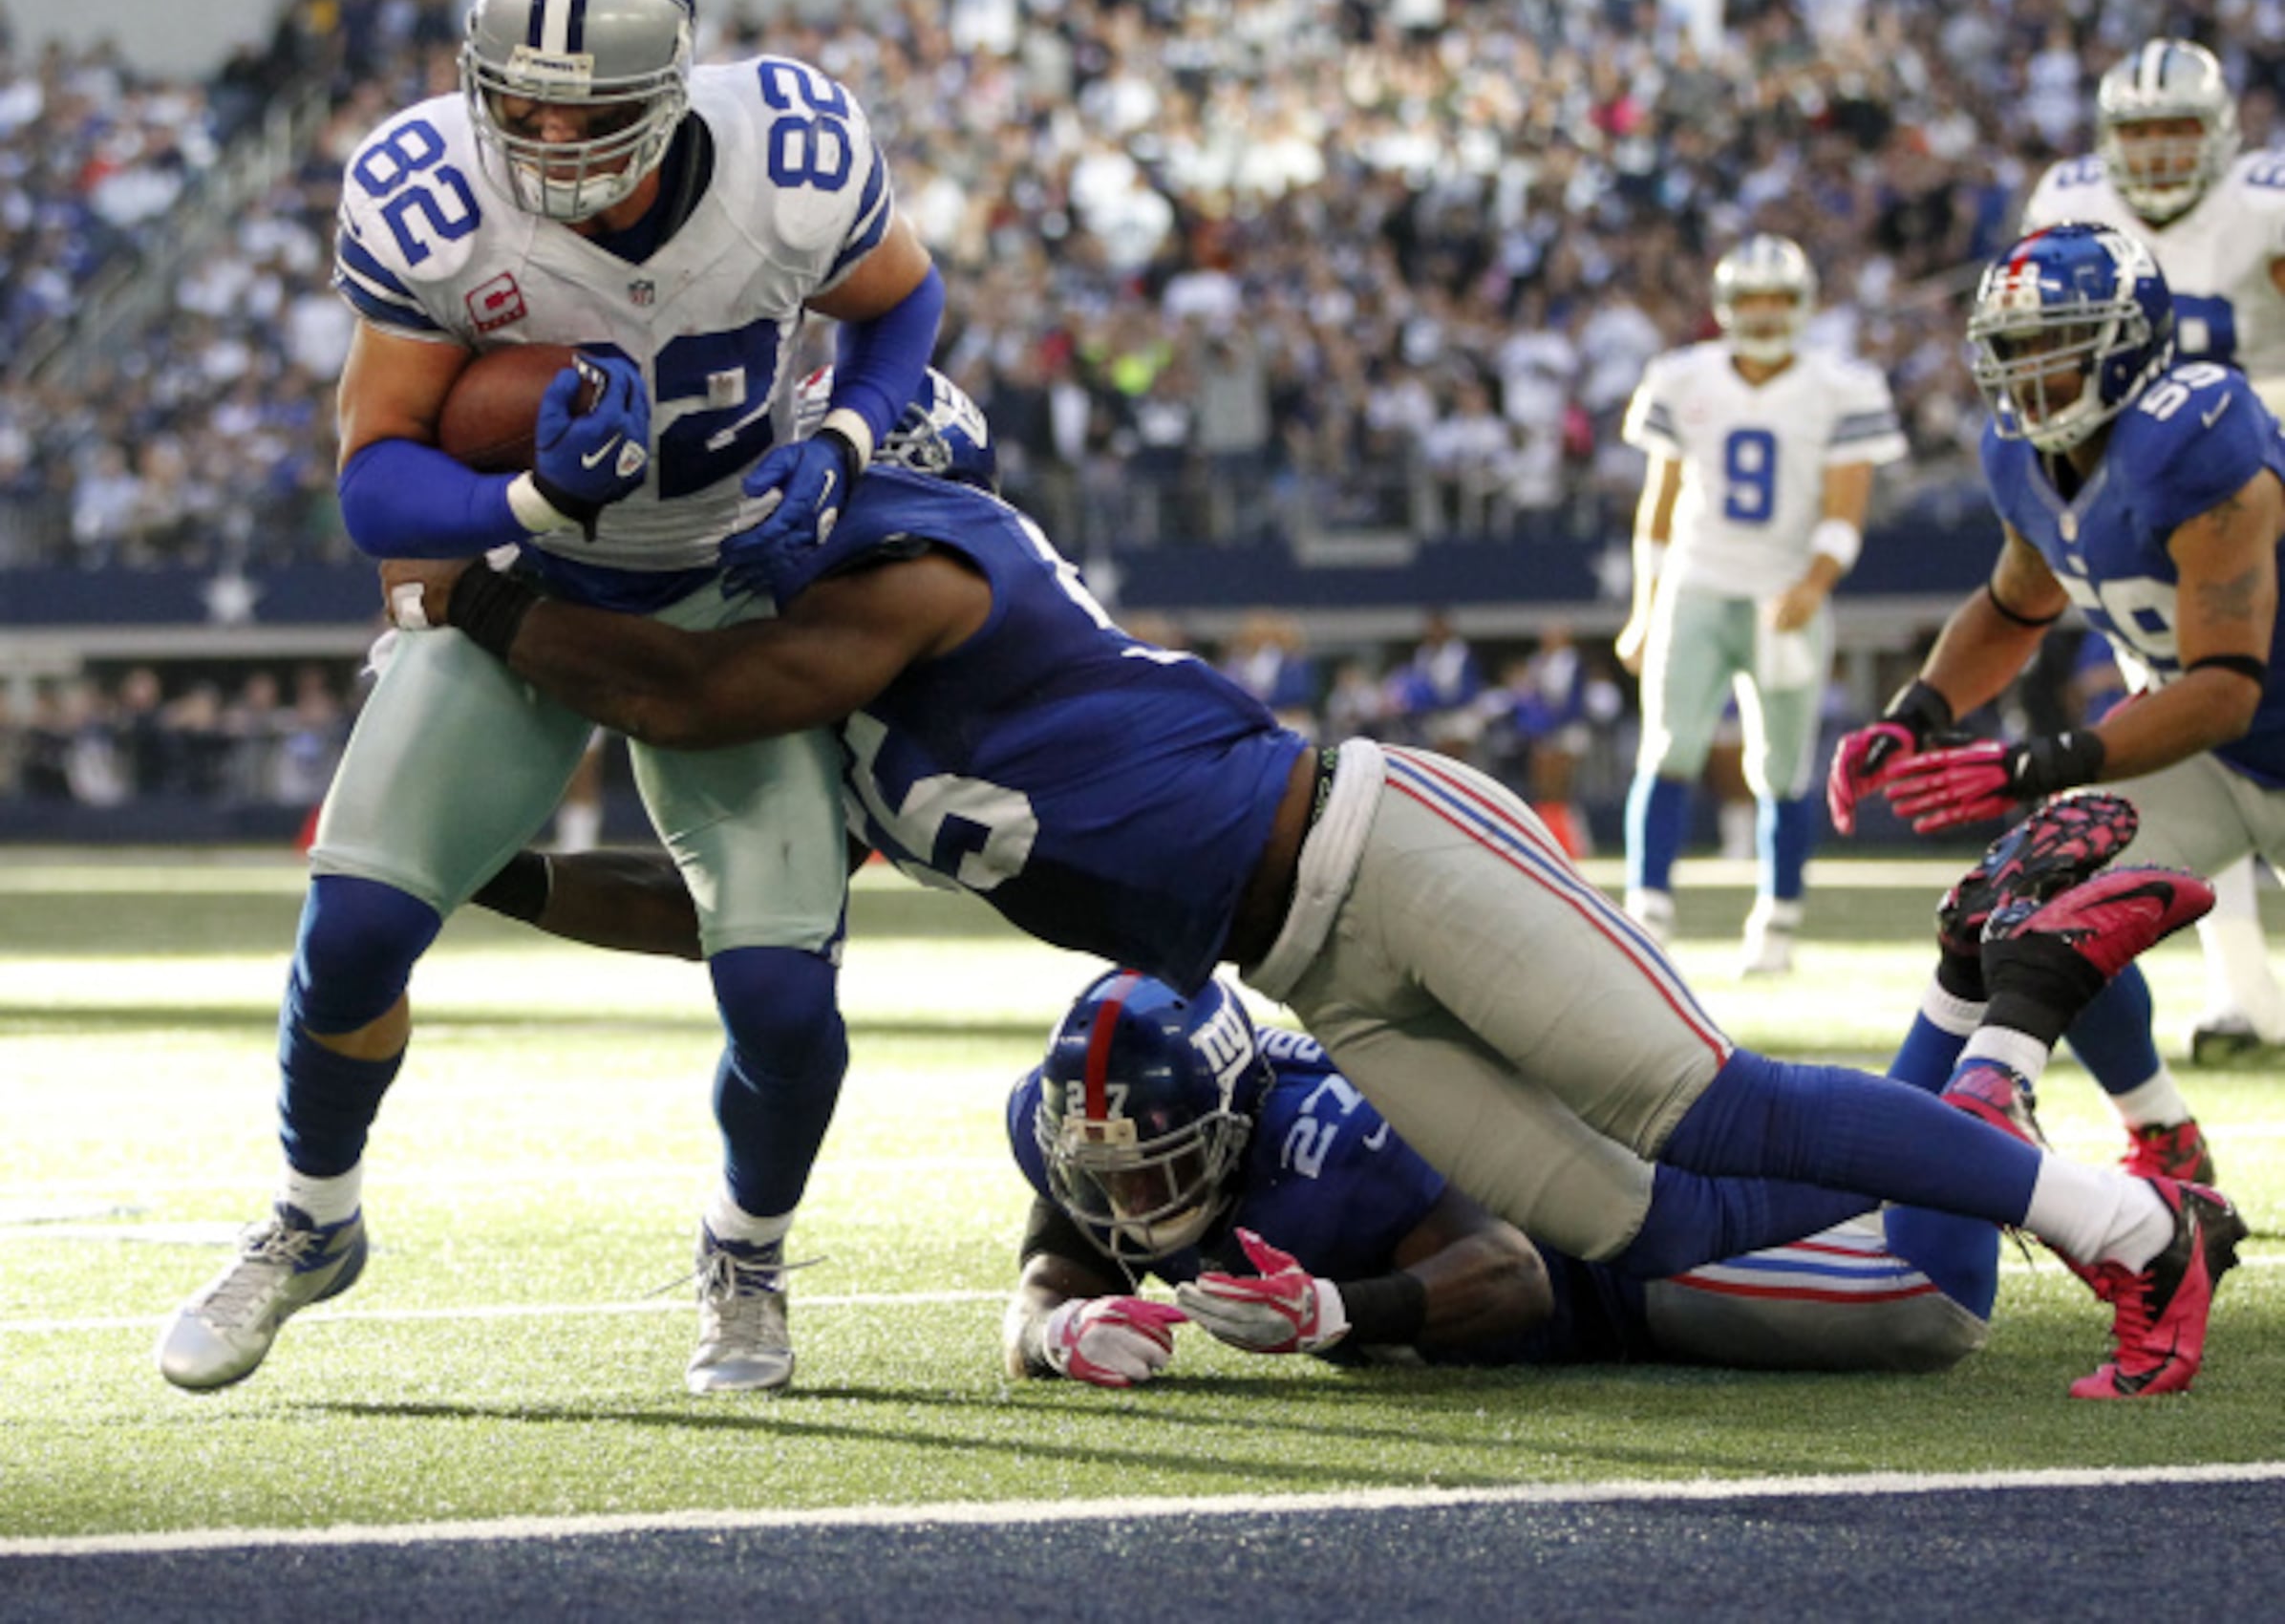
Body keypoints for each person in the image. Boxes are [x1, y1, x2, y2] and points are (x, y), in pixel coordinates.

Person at [387, 363, 2247, 1400]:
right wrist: (489, 875)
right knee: (1598, 1215)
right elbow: (736, 906)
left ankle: (2109, 1219)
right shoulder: (876, 724)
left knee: (1699, 1094)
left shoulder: (933, 581)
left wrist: (480, 587)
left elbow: (705, 687)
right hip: (1307, 965)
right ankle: (1965, 1097)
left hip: (1379, 847)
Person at [157, 0, 946, 1400]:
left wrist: (839, 441)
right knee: (351, 938)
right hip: (534, 594)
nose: (537, 135)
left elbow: (902, 301)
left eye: (578, 109)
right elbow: (375, 472)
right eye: (510, 98)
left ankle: (746, 1249)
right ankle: (313, 1220)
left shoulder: (788, 156)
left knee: (784, 997)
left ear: (669, 84)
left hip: (731, 595)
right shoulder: (430, 195)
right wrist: (524, 499)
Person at [1004, 791, 2147, 1385]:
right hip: (1626, 1179)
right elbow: (1055, 1263)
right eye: (1109, 1168)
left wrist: (1342, 1314)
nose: (1136, 1200)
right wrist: (1059, 1331)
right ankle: (1965, 992)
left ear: (1234, 1109)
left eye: (1157, 1162)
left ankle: (2004, 1014)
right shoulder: (1087, 1115)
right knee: (1864, 1175)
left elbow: (1509, 1278)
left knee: (1928, 1302)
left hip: (1615, 1262)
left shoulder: (1326, 1142)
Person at [1829, 221, 2279, 1167]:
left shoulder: (2195, 433)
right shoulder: (2022, 455)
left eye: (2052, 344)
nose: (2027, 370)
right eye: (2012, 347)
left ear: (2126, 344)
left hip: (2234, 717)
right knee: (2038, 881)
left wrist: (2040, 760)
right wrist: (1914, 716)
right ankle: (2159, 1132)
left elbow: (2228, 685)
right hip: (2214, 751)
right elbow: (2013, 604)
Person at [2018, 38, 2285, 1064]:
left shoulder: (2263, 199)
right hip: (2144, 498)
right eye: (2141, 131)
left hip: (2260, 478)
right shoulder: (2069, 198)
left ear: (2218, 132)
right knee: (2184, 734)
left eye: (2179, 128)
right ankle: (2238, 990)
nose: (2162, 151)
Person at [1614, 235, 1906, 976]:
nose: (1767, 314)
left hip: (1786, 590)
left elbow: (1847, 506)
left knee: (1782, 767)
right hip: (1698, 582)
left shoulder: (1841, 385)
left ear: (1803, 305)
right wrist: (1644, 609)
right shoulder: (1682, 377)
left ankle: (1777, 923)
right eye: (1752, 300)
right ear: (1726, 307)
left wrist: (1810, 585)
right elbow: (1661, 501)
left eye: (1779, 299)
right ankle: (1647, 911)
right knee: (1668, 747)